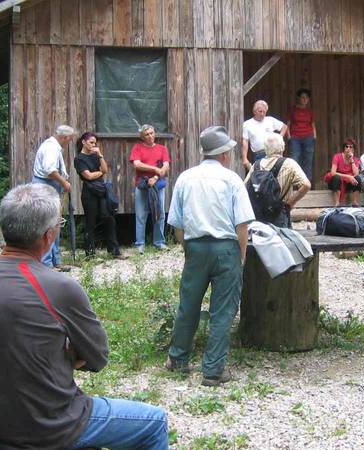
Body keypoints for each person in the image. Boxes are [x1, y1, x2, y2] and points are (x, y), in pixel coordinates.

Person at [0, 184, 168, 449]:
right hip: (51, 425)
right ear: (49, 236)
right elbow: (98, 356)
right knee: (155, 423)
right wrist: (67, 352)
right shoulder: (58, 286)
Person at [166, 126, 254, 386]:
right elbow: (242, 226)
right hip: (225, 248)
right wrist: (240, 256)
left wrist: (189, 249)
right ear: (224, 154)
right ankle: (213, 370)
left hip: (195, 247)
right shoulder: (232, 180)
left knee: (188, 304)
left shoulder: (185, 178)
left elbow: (177, 224)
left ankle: (178, 358)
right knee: (223, 310)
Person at [32, 125, 76, 269]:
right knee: (48, 225)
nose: (69, 142)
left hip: (49, 186)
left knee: (55, 224)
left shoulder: (53, 146)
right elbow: (50, 170)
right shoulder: (51, 148)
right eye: (69, 139)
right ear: (64, 137)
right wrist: (64, 182)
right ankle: (46, 263)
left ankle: (55, 260)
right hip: (45, 186)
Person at [244, 133, 311, 228]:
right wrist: (290, 203)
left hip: (258, 216)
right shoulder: (289, 164)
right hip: (279, 214)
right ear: (282, 147)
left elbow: (244, 188)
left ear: (265, 149)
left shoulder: (256, 165)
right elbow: (306, 185)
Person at [74, 132, 120, 258]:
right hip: (89, 192)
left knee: (109, 219)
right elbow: (87, 176)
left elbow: (105, 169)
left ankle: (114, 251)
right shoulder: (79, 159)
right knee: (90, 222)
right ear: (83, 142)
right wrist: (100, 173)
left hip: (101, 191)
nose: (94, 145)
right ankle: (90, 254)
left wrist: (100, 155)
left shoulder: (96, 156)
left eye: (95, 143)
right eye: (91, 142)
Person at [129, 124, 170, 253]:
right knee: (141, 214)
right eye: (147, 134)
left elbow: (166, 166)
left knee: (160, 213)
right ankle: (140, 244)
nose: (150, 136)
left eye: (152, 133)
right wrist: (154, 169)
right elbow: (137, 164)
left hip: (157, 185)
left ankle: (159, 242)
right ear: (142, 136)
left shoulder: (162, 148)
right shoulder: (137, 148)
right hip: (142, 185)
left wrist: (156, 177)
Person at [242, 99, 287, 171]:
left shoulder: (270, 120)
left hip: (273, 153)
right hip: (259, 154)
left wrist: (279, 139)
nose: (262, 114)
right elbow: (245, 141)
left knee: (275, 176)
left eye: (264, 112)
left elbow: (284, 127)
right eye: (260, 111)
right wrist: (244, 158)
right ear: (254, 111)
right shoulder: (247, 124)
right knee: (261, 177)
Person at [285, 88, 316, 181]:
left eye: (306, 98)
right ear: (299, 98)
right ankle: (295, 183)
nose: (304, 99)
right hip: (295, 138)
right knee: (294, 159)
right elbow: (288, 124)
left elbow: (313, 125)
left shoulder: (310, 111)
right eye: (302, 97)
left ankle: (306, 183)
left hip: (308, 138)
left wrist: (314, 136)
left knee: (308, 160)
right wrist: (289, 137)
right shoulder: (293, 110)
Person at [324, 138, 361, 207]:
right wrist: (348, 176)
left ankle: (355, 203)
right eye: (346, 146)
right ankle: (337, 203)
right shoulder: (337, 157)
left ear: (353, 149)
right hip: (336, 181)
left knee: (358, 178)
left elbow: (356, 174)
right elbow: (333, 172)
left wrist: (352, 160)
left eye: (351, 147)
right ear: (344, 148)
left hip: (348, 183)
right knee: (336, 177)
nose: (348, 148)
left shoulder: (356, 159)